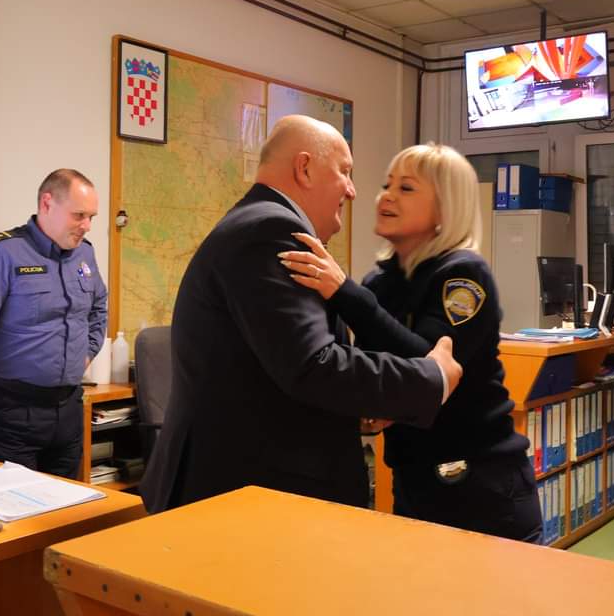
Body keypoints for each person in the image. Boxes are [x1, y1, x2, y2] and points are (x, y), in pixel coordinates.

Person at [140, 115, 463, 514]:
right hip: (247, 499)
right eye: (344, 172)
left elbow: (273, 371)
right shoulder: (270, 230)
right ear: (304, 168)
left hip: (246, 487)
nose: (352, 190)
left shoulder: (257, 223)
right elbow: (313, 365)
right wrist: (430, 378)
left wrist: (356, 409)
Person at [280, 143, 542, 542]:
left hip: (479, 485)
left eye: (406, 188)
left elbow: (430, 365)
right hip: (413, 478)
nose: (386, 196)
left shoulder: (463, 275)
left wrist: (345, 294)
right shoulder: (378, 282)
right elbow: (377, 369)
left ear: (444, 209)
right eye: (387, 185)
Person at [0, 168, 107, 479]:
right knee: (10, 506)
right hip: (9, 413)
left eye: (91, 217)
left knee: (69, 504)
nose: (86, 226)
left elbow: (98, 309)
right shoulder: (1, 253)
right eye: (79, 215)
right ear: (47, 203)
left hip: (68, 411)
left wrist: (86, 354)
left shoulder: (84, 253)